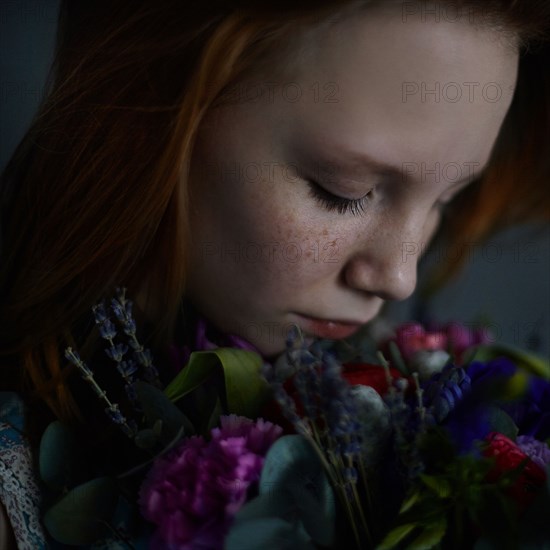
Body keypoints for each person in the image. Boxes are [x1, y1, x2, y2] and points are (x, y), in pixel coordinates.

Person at [1, 1, 549, 547]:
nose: (399, 277)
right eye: (343, 191)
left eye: (445, 201)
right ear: (146, 109)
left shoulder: (415, 406)